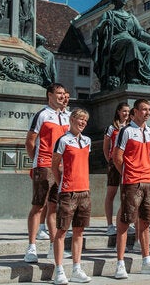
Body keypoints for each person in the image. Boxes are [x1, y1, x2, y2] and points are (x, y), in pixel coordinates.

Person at [113, 99, 150, 278]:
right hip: (132, 181)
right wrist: (128, 173)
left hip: (148, 180)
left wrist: (143, 167)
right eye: (143, 109)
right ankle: (120, 263)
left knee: (145, 222)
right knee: (125, 221)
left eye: (149, 109)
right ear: (135, 112)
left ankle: (146, 261)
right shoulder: (126, 131)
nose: (147, 112)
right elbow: (117, 157)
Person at [91, 0, 150, 90]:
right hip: (115, 41)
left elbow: (140, 33)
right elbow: (98, 30)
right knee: (130, 42)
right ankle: (132, 76)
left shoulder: (131, 17)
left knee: (149, 49)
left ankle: (147, 78)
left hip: (129, 40)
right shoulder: (109, 14)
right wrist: (105, 24)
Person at [24, 83, 71, 263]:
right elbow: (30, 141)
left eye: (63, 93)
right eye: (58, 93)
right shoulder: (42, 114)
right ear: (49, 95)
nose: (62, 96)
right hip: (44, 166)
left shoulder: (66, 117)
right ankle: (31, 247)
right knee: (38, 206)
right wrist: (37, 162)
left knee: (54, 208)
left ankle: (53, 246)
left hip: (61, 168)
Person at [51, 108, 93, 284]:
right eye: (80, 119)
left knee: (79, 231)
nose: (82, 122)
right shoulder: (63, 140)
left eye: (85, 120)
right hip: (68, 192)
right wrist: (62, 183)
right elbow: (55, 165)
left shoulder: (87, 141)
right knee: (61, 231)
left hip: (84, 191)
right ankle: (59, 270)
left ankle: (76, 268)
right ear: (72, 119)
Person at [103, 102, 129, 236]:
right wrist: (110, 160)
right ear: (118, 112)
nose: (126, 114)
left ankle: (125, 222)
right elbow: (105, 146)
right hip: (114, 164)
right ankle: (109, 224)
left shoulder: (130, 127)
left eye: (128, 111)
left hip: (127, 163)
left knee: (127, 194)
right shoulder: (112, 128)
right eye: (124, 111)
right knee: (111, 194)